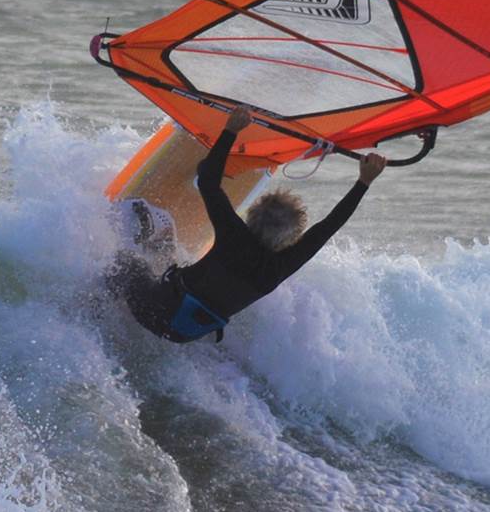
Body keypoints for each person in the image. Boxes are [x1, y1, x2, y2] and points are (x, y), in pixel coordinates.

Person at [115, 105, 386, 343]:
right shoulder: (278, 269)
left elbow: (208, 179)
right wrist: (364, 182)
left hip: (153, 308)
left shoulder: (233, 235)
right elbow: (327, 228)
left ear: (252, 214)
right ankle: (160, 247)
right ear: (292, 238)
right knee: (180, 265)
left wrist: (231, 130)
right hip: (185, 335)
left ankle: (96, 305)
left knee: (127, 263)